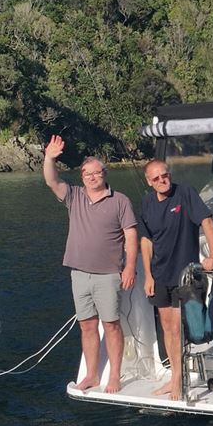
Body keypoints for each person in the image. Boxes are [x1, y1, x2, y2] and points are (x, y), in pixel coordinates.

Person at [43, 135, 137, 394]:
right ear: (82, 177)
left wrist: (129, 267)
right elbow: (52, 180)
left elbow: (130, 235)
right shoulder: (74, 196)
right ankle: (92, 375)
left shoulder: (120, 201)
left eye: (96, 173)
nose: (92, 177)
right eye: (87, 174)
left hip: (108, 274)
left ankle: (115, 375)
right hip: (79, 274)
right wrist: (50, 157)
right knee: (86, 324)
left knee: (111, 324)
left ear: (105, 174)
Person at [139, 160, 213, 401]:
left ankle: (177, 380)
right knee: (167, 326)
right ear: (149, 182)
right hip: (159, 274)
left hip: (183, 273)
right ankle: (176, 374)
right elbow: (146, 241)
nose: (162, 181)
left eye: (165, 175)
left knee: (176, 327)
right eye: (156, 178)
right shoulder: (147, 203)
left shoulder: (185, 193)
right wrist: (148, 275)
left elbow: (207, 221)